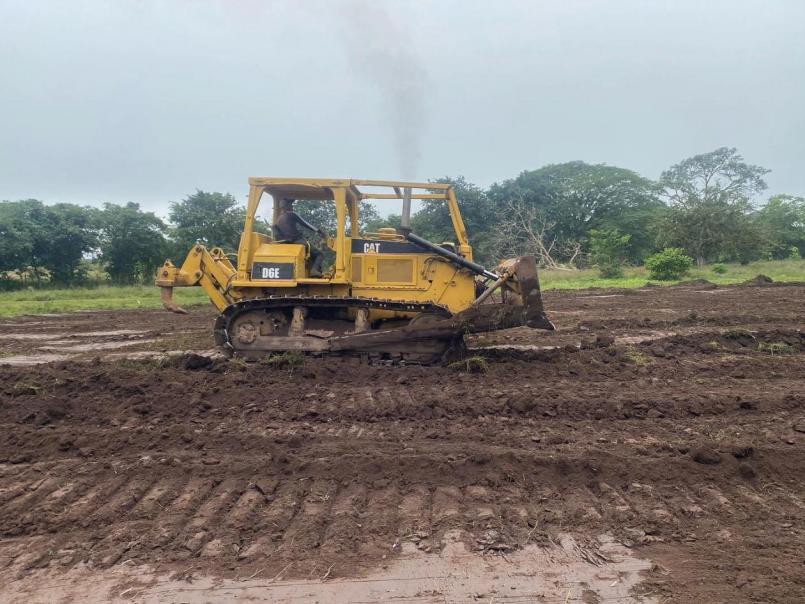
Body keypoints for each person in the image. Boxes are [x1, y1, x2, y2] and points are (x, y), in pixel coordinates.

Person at [273, 198, 327, 277]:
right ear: (287, 206)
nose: (292, 206)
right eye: (291, 204)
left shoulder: (279, 219)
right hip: (296, 241)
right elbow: (305, 223)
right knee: (319, 254)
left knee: (310, 255)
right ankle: (314, 271)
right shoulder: (291, 214)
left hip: (286, 243)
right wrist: (319, 231)